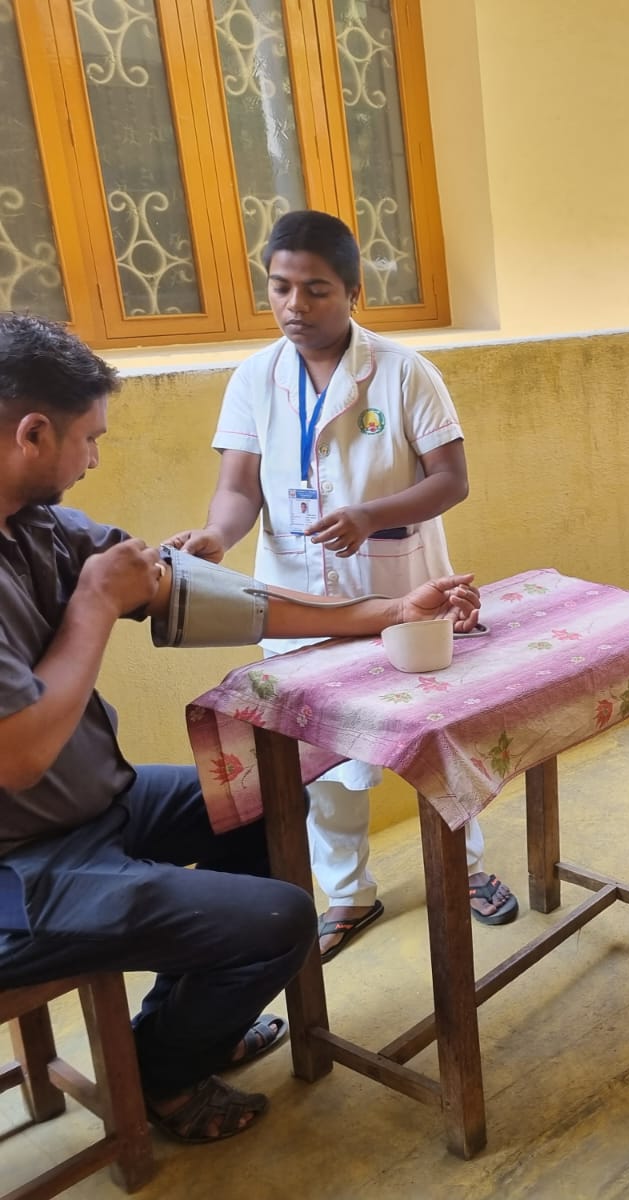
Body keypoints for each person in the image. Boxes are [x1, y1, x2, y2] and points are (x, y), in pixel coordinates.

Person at [0, 313, 481, 1142]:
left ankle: (176, 1029)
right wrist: (90, 605)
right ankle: (158, 1080)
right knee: (281, 921)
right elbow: (21, 754)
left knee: (264, 795)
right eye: (89, 440)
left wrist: (388, 611)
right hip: (19, 865)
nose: (94, 460)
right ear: (32, 432)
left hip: (86, 804)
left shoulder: (39, 525)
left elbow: (201, 595)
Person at [166, 211, 517, 960]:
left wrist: (369, 515)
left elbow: (451, 479)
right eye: (281, 288)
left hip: (401, 591)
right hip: (296, 596)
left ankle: (468, 866)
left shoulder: (402, 371)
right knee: (316, 755)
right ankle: (349, 894)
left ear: (354, 291)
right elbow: (238, 487)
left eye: (316, 290)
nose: (295, 305)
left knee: (434, 738)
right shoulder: (254, 377)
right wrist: (216, 538)